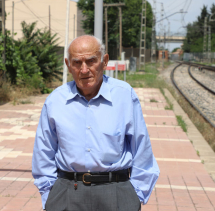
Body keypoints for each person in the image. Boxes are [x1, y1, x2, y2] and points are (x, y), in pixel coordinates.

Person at [32, 35, 159, 211]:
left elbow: (142, 150)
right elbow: (43, 152)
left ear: (104, 61)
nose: (84, 70)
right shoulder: (55, 101)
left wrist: (134, 196)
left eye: (91, 61)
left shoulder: (124, 96)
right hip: (67, 193)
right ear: (68, 65)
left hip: (116, 193)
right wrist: (50, 196)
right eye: (77, 63)